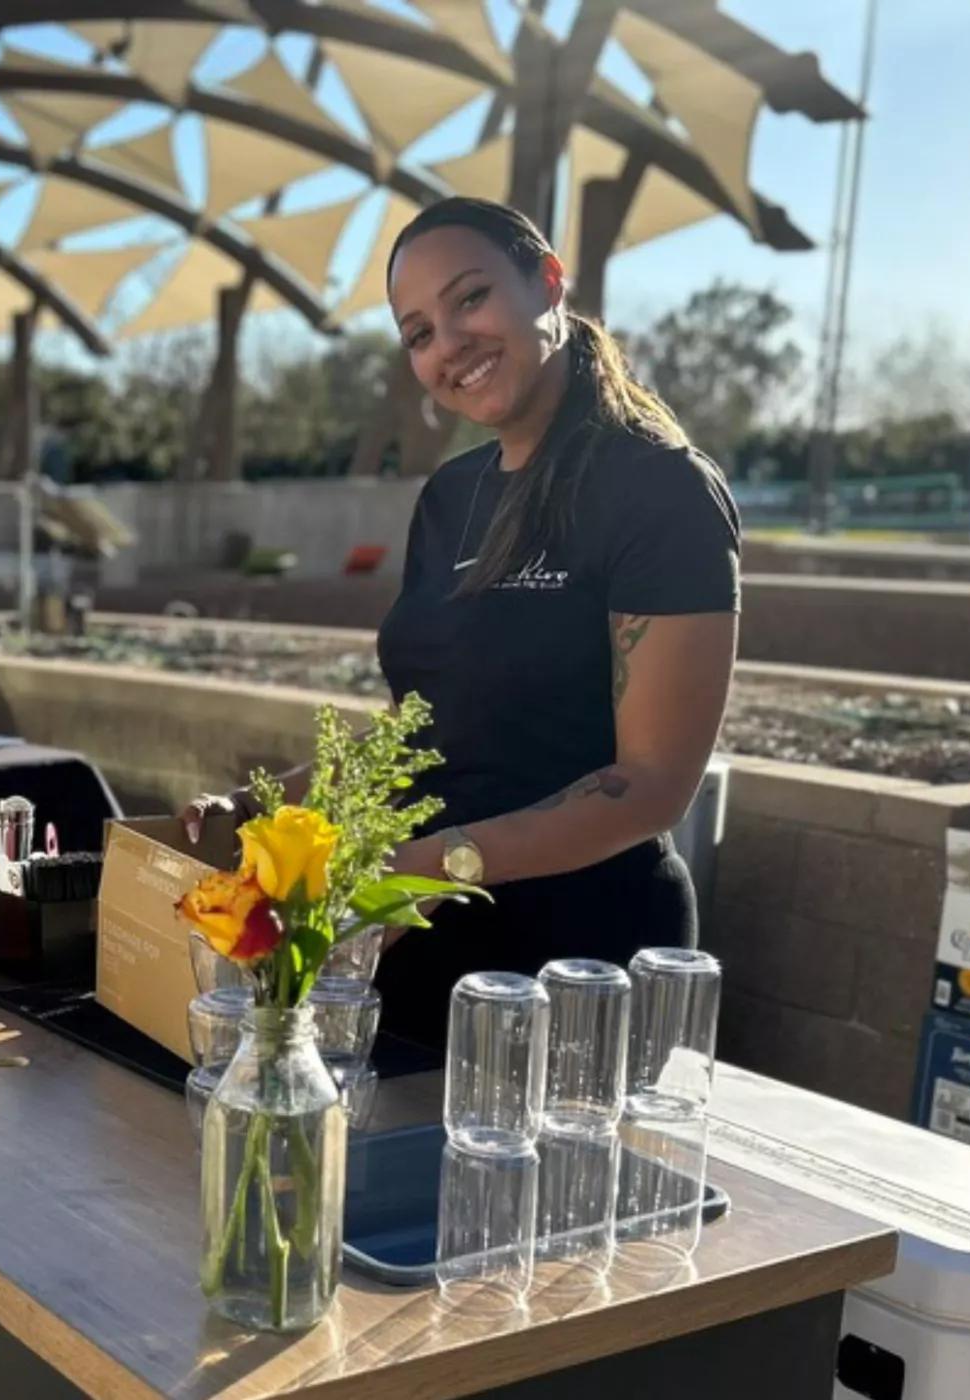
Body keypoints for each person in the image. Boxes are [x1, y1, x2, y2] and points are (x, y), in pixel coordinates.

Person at [187, 197, 740, 1048]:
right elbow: (432, 729)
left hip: (578, 967)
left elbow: (654, 784)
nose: (449, 345)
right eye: (418, 333)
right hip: (423, 940)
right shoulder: (452, 496)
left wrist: (435, 864)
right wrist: (262, 808)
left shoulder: (659, 491)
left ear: (547, 283)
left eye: (470, 299)